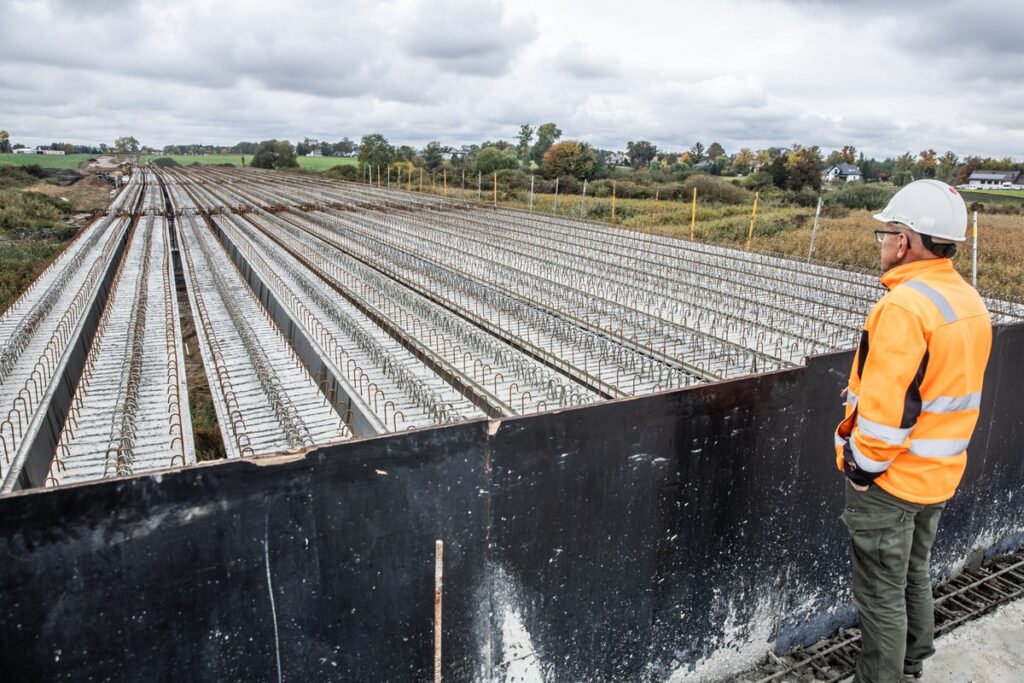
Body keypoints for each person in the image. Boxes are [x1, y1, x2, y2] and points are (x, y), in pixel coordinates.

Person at [833, 179, 992, 682]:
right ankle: (912, 664)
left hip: (894, 480)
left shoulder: (904, 306)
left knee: (880, 592)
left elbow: (888, 413)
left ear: (904, 242)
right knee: (912, 574)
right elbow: (936, 384)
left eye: (885, 233)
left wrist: (861, 468)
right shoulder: (966, 299)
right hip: (939, 473)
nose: (882, 242)